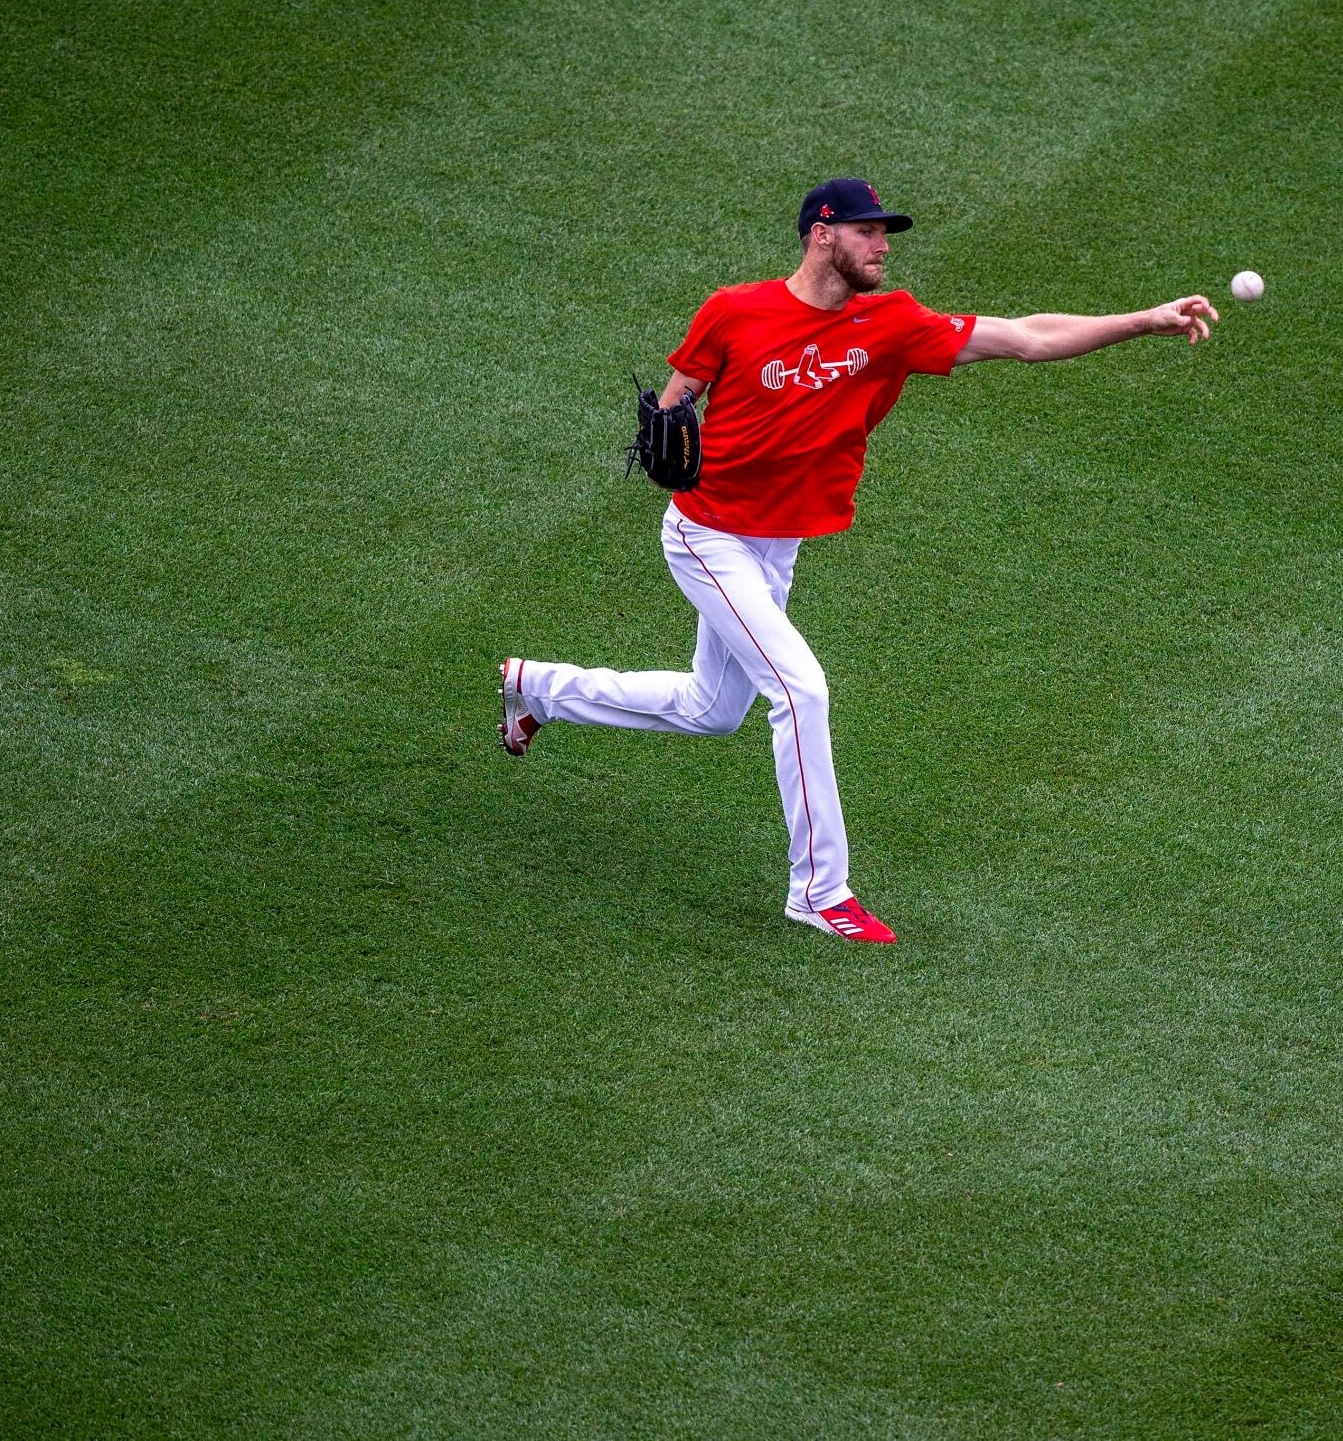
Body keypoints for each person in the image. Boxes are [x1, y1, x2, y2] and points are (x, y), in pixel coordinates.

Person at [499, 178, 1218, 943]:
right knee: (802, 691)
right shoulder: (735, 310)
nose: (883, 245)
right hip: (709, 536)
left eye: (887, 234)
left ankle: (533, 688)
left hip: (778, 546)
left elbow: (1026, 337)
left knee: (714, 710)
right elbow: (676, 403)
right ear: (822, 234)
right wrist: (672, 431)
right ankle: (820, 890)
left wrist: (1145, 320)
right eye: (870, 231)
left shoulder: (893, 323)